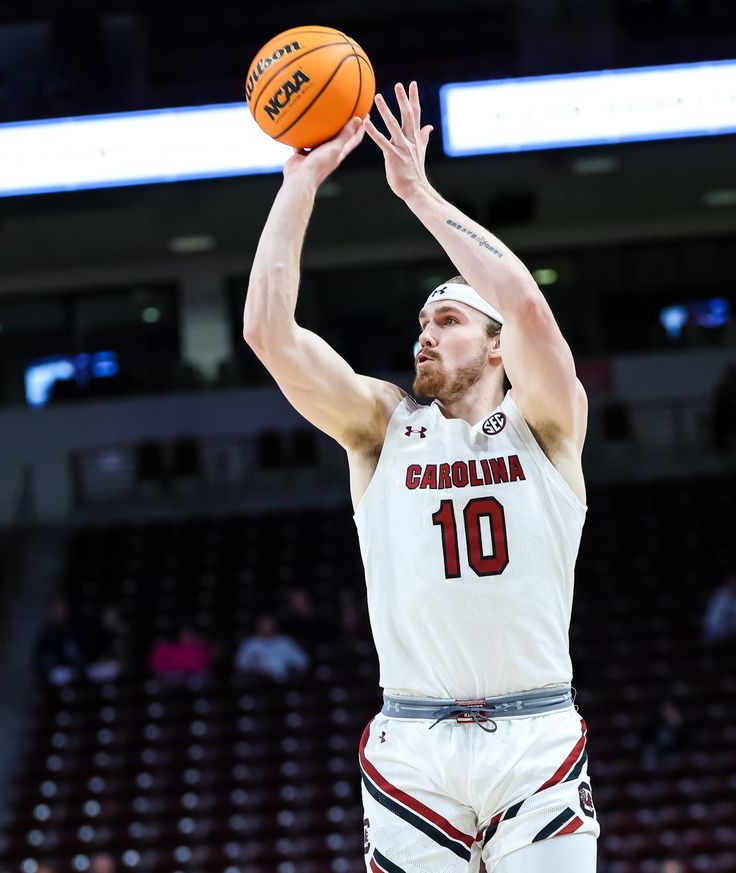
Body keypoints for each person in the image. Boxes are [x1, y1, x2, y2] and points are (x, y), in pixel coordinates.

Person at [244, 83, 596, 872]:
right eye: (422, 324)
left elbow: (529, 307)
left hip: (535, 735)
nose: (426, 335)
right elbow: (268, 331)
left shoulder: (549, 422)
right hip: (413, 746)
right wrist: (298, 183)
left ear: (496, 347)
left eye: (449, 320)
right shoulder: (382, 428)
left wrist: (418, 193)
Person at [234, 615, 308, 682]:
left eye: (269, 624)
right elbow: (240, 663)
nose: (266, 627)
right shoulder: (250, 643)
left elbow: (302, 661)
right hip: (257, 682)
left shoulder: (284, 642)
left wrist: (292, 668)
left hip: (282, 682)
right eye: (263, 624)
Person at [639, 701, 692, 768]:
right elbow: (646, 739)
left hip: (675, 756)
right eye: (666, 709)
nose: (668, 712)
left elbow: (687, 743)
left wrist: (679, 727)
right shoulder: (655, 723)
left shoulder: (682, 725)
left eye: (671, 709)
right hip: (658, 756)